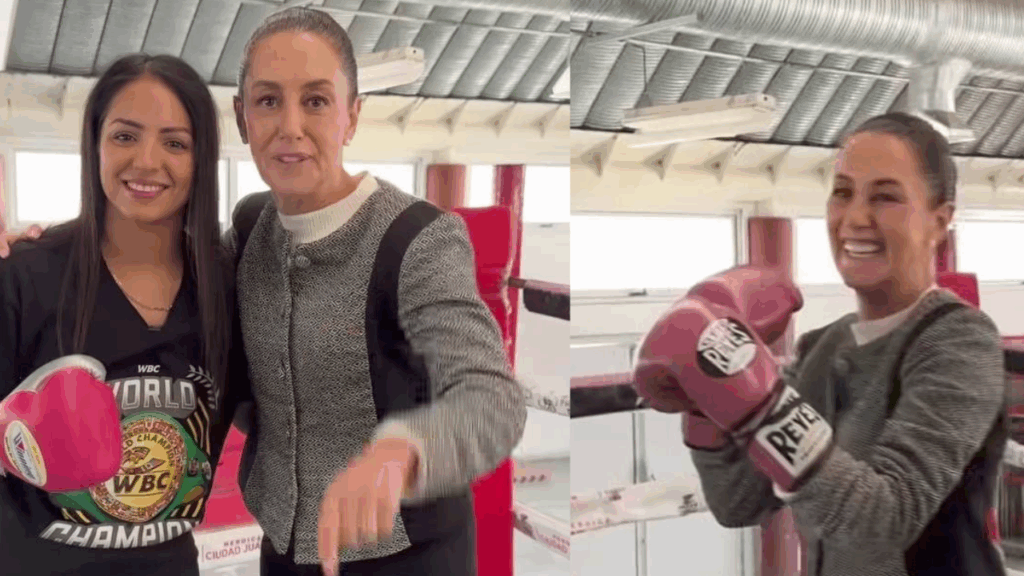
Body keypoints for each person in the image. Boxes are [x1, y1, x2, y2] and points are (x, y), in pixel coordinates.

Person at [637, 112, 1006, 576]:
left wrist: (757, 400)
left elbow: (884, 522)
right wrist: (704, 405)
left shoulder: (959, 342)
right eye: (843, 192)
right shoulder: (821, 348)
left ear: (940, 220)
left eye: (886, 197)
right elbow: (738, 503)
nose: (855, 217)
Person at [228, 7, 526, 576]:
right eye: (268, 101)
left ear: (352, 115)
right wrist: (32, 247)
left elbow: (494, 401)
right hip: (285, 550)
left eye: (316, 100)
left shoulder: (417, 239)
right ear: (243, 117)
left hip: (408, 557)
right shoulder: (248, 228)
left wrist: (401, 453)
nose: (290, 125)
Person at [0, 54, 250, 575]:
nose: (147, 162)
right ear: (95, 145)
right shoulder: (25, 276)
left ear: (200, 159)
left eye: (175, 143)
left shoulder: (229, 289)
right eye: (124, 136)